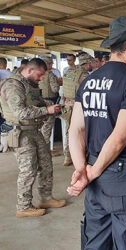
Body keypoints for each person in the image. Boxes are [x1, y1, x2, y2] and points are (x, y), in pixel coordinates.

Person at [66, 16, 126, 249]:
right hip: (121, 177)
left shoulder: (89, 81)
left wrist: (81, 170)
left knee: (96, 240)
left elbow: (75, 129)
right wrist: (92, 172)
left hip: (95, 177)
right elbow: (120, 137)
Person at [0, 58, 65, 217]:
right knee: (28, 170)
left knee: (46, 164)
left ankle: (46, 197)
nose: (41, 78)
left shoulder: (29, 85)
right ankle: (23, 207)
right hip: (20, 132)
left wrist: (53, 106)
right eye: (40, 74)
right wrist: (46, 111)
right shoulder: (13, 85)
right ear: (30, 70)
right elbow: (20, 112)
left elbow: (37, 102)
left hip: (34, 130)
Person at [61, 53, 92, 166]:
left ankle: (67, 156)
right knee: (80, 132)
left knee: (69, 131)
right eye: (91, 63)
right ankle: (79, 157)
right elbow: (89, 90)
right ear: (87, 63)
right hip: (78, 107)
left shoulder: (69, 72)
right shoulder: (83, 74)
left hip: (68, 105)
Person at [39, 57, 60, 145]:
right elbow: (55, 89)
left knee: (40, 127)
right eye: (51, 63)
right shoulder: (50, 74)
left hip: (39, 102)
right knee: (47, 128)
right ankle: (45, 149)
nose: (52, 65)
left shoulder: (38, 74)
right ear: (47, 64)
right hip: (49, 103)